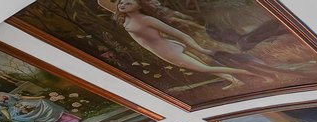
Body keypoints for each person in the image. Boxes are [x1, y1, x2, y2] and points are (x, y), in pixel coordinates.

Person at [99, 0, 255, 90]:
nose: (123, 4)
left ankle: (248, 72)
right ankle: (235, 80)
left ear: (139, 5)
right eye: (121, 2)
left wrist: (199, 48)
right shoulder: (124, 17)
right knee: (204, 66)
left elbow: (179, 34)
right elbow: (102, 2)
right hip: (165, 48)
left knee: (204, 69)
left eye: (128, 2)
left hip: (168, 51)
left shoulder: (147, 20)